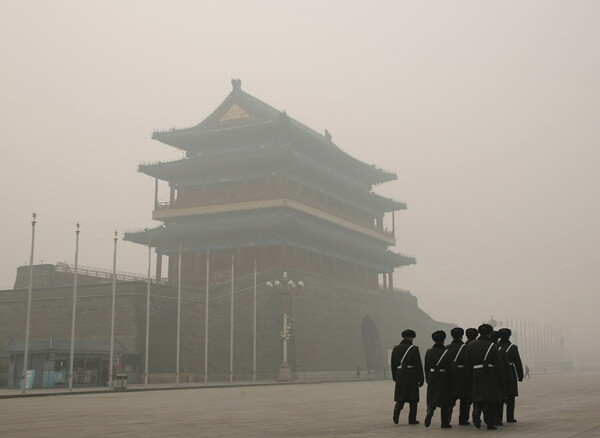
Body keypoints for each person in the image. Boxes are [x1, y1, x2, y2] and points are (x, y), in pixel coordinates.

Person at [465, 324, 506, 430]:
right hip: (490, 374)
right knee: (491, 400)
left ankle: (477, 410)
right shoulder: (493, 346)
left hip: (476, 373)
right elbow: (499, 364)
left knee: (478, 396)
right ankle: (490, 423)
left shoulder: (471, 345)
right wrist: (502, 379)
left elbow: (468, 363)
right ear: (490, 333)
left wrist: (468, 378)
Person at [391, 329, 424, 425]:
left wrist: (395, 377)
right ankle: (412, 419)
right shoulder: (414, 348)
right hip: (411, 375)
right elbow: (418, 365)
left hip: (400, 374)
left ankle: (397, 409)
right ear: (410, 338)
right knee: (413, 398)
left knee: (401, 396)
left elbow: (393, 364)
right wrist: (420, 379)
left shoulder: (396, 348)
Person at [424, 330, 454, 428]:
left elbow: (426, 367)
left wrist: (428, 378)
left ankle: (430, 410)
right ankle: (445, 423)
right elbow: (451, 368)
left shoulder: (428, 352)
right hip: (444, 376)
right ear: (443, 340)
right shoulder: (448, 352)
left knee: (432, 397)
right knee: (445, 400)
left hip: (432, 376)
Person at [498, 328, 524, 423]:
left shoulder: (495, 346)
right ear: (509, 336)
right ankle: (510, 417)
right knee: (511, 396)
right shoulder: (513, 347)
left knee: (499, 395)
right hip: (511, 372)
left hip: (499, 372)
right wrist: (520, 375)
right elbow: (517, 362)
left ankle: (498, 418)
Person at [447, 327, 470, 425]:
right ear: (462, 336)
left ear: (452, 336)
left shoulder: (446, 348)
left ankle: (447, 419)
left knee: (450, 399)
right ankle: (463, 419)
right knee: (465, 399)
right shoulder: (466, 347)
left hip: (450, 375)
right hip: (463, 375)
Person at [491, 331, 509, 426]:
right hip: (498, 377)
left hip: (483, 377)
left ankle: (486, 416)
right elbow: (505, 366)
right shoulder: (500, 350)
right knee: (499, 399)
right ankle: (498, 419)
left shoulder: (480, 348)